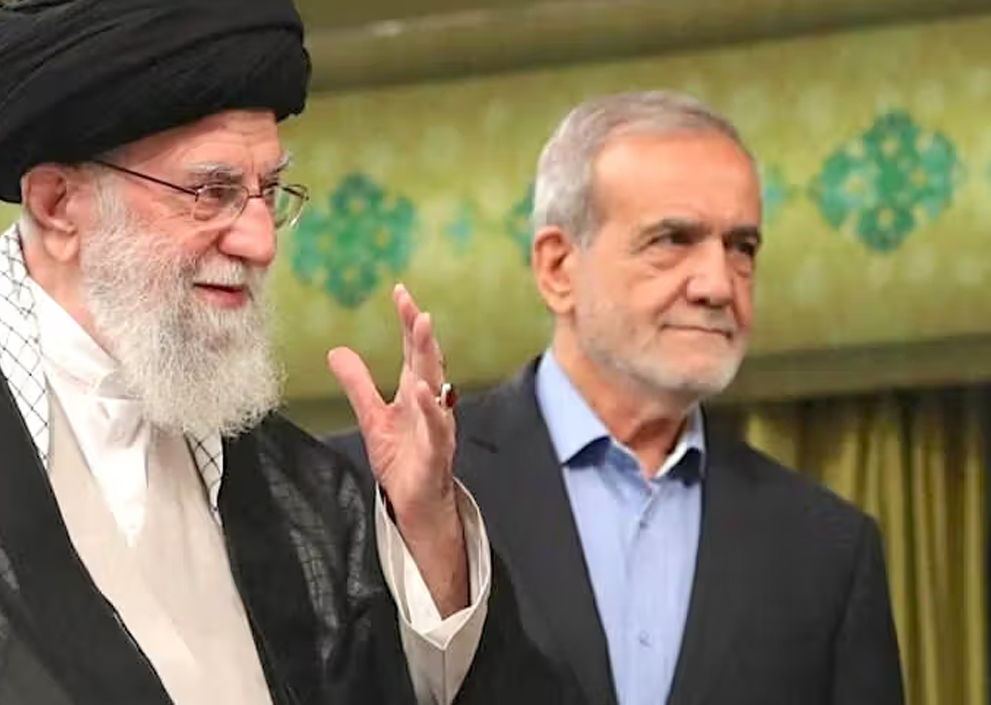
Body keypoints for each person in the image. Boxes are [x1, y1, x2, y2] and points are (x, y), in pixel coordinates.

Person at [0, 0, 578, 703]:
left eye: (268, 192)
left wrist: (426, 531)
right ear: (57, 204)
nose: (259, 241)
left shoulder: (290, 482)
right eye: (210, 193)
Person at [330, 91, 905, 705]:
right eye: (673, 239)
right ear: (558, 268)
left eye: (742, 247)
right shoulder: (376, 489)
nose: (718, 285)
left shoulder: (827, 549)